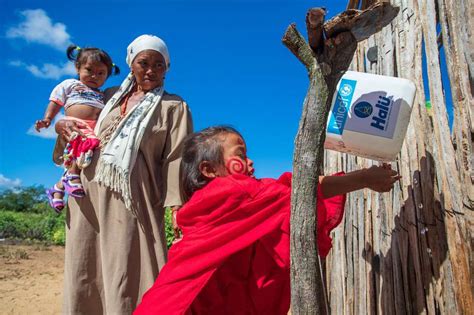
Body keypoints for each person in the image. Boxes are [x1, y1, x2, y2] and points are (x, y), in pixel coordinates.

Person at [134, 126, 401, 314]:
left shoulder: (222, 208)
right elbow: (298, 190)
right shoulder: (231, 192)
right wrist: (364, 179)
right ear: (208, 170)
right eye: (239, 155)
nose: (250, 163)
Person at [54, 35, 193, 314]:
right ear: (131, 64)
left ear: (167, 68)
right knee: (86, 263)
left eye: (159, 65)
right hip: (86, 194)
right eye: (143, 63)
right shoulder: (106, 97)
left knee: (127, 268)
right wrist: (61, 127)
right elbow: (77, 123)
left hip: (134, 199)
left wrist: (177, 205)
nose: (151, 70)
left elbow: (177, 157)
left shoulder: (174, 106)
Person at [35, 45, 120, 213]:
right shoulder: (71, 84)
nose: (94, 76)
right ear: (77, 68)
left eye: (101, 73)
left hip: (92, 129)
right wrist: (47, 120)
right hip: (73, 124)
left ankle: (57, 188)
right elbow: (56, 101)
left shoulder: (102, 95)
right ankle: (72, 177)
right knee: (81, 147)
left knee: (86, 157)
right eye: (89, 70)